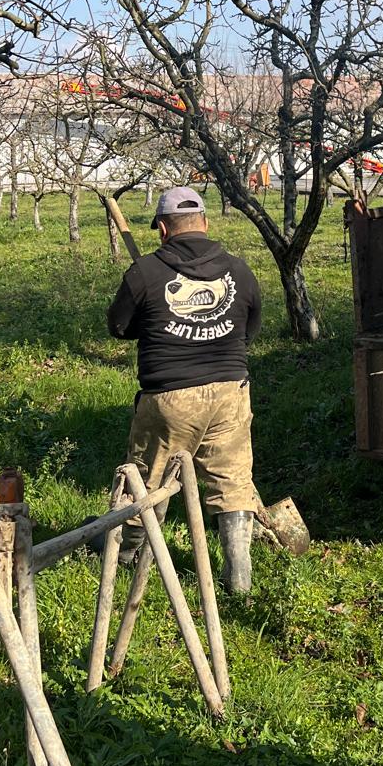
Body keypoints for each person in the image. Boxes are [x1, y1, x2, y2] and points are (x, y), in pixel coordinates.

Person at [106, 186, 262, 592]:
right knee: (232, 480)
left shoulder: (145, 274)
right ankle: (239, 576)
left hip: (169, 398)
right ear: (206, 224)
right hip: (231, 391)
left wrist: (150, 313)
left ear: (161, 228)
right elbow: (250, 329)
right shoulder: (240, 270)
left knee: (147, 479)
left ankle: (129, 556)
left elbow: (119, 327)